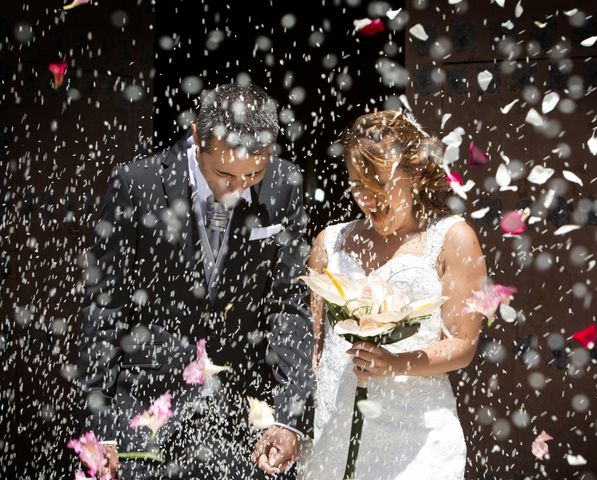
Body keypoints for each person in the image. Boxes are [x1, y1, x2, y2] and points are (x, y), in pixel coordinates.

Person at [76, 82, 314, 479]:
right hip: (147, 411)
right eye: (224, 173)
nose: (238, 189)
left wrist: (289, 416)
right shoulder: (137, 184)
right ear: (196, 137)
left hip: (245, 417)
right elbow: (105, 307)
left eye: (253, 174)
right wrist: (102, 425)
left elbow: (288, 305)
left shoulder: (284, 184)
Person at [297, 110, 487, 479]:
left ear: (414, 174)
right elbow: (315, 349)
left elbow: (463, 344)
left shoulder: (452, 239)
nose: (367, 198)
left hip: (417, 441)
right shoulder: (329, 243)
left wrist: (395, 364)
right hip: (337, 437)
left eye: (379, 183)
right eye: (356, 185)